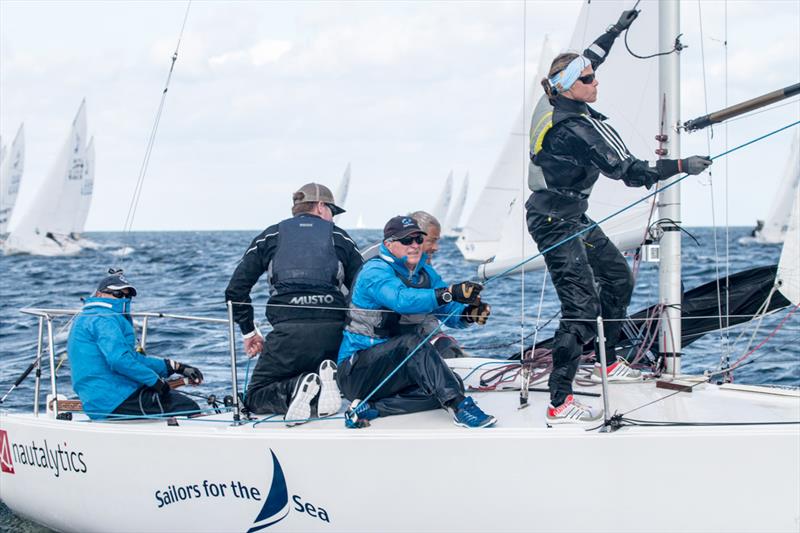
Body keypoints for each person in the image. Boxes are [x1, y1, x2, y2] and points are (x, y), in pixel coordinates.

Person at [528, 10, 713, 423]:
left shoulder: (554, 94)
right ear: (567, 87)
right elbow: (630, 173)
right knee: (580, 308)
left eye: (594, 76)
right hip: (553, 220)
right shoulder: (574, 128)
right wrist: (683, 165)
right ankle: (560, 403)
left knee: (617, 277)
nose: (596, 83)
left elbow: (591, 55)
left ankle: (608, 361)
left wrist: (616, 29)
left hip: (572, 215)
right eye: (588, 80)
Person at [337, 215, 495, 429]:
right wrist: (449, 293)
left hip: (396, 367)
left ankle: (374, 408)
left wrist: (468, 314)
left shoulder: (426, 273)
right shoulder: (375, 271)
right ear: (388, 245)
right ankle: (460, 408)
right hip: (356, 372)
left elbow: (446, 310)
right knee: (414, 343)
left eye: (418, 240)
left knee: (452, 383)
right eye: (406, 241)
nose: (414, 245)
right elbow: (402, 300)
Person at [225, 183, 363, 425]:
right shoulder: (339, 237)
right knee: (330, 367)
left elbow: (235, 291)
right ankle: (327, 381)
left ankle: (298, 387)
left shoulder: (270, 236)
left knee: (255, 395)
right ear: (321, 207)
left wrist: (249, 331)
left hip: (287, 335)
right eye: (332, 211)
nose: (333, 218)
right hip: (333, 335)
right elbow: (364, 287)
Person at [67, 269, 204, 420]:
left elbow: (131, 358)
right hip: (112, 399)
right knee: (185, 406)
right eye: (118, 294)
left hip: (105, 396)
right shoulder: (103, 318)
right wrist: (155, 381)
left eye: (128, 296)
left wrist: (176, 367)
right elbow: (119, 360)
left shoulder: (94, 316)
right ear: (99, 294)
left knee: (172, 398)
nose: (123, 299)